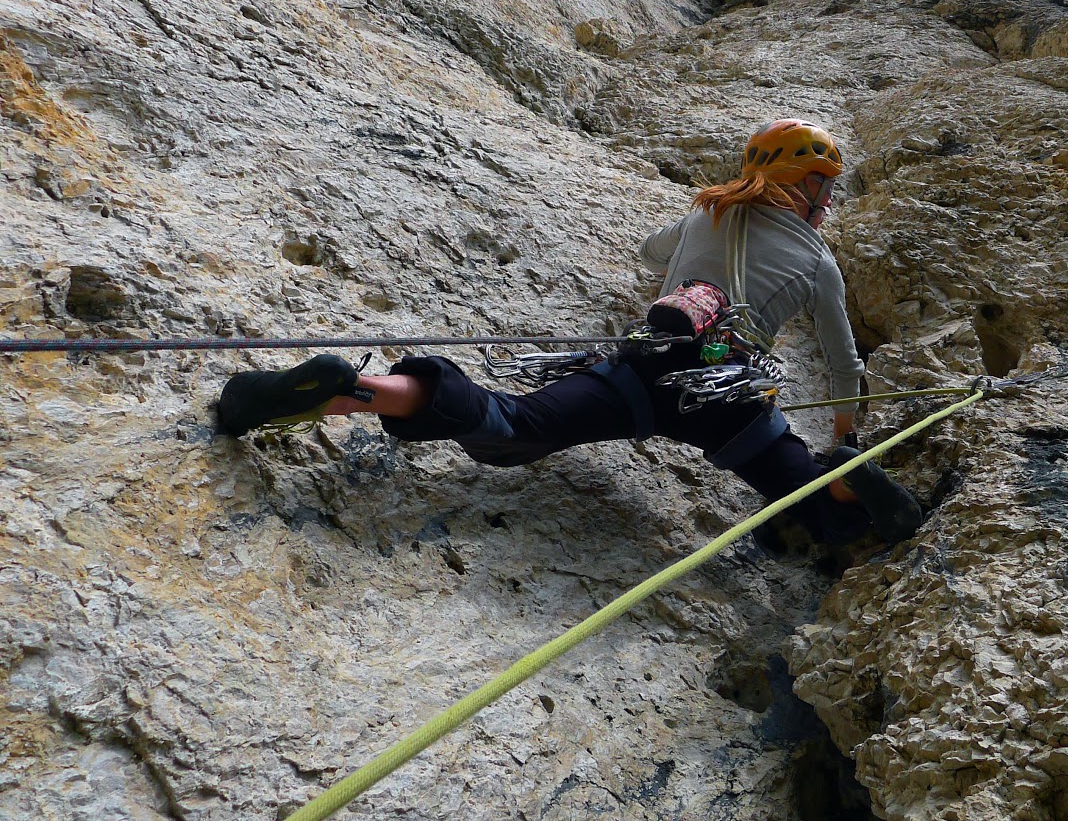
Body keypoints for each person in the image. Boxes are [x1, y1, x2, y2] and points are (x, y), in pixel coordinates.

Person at [216, 119, 922, 545]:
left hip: (648, 366)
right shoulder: (819, 259)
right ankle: (845, 484)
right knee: (804, 495)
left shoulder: (708, 213)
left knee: (511, 424)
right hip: (724, 387)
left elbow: (650, 252)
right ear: (812, 188)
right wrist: (845, 436)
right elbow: (843, 365)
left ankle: (359, 388)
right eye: (826, 190)